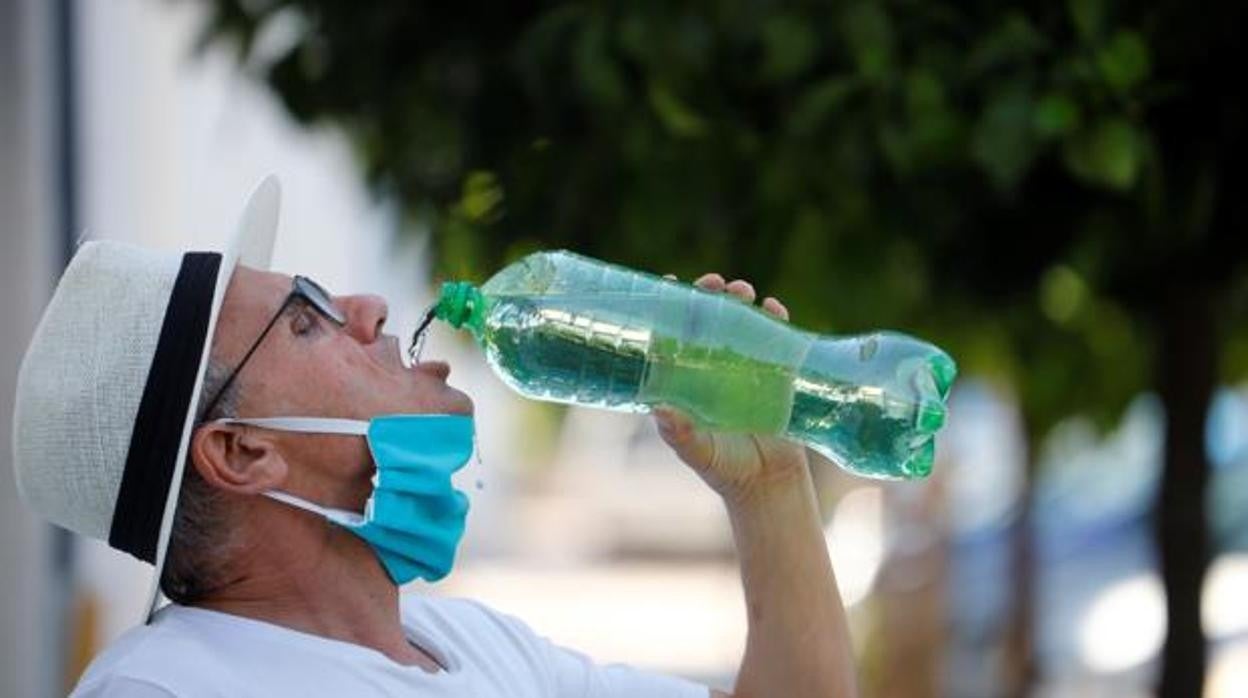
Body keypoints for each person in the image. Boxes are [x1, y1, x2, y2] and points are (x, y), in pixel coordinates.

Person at [13, 178, 857, 697]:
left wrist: (770, 489)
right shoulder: (170, 688)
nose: (369, 309)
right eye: (304, 322)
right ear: (242, 452)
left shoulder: (475, 647)